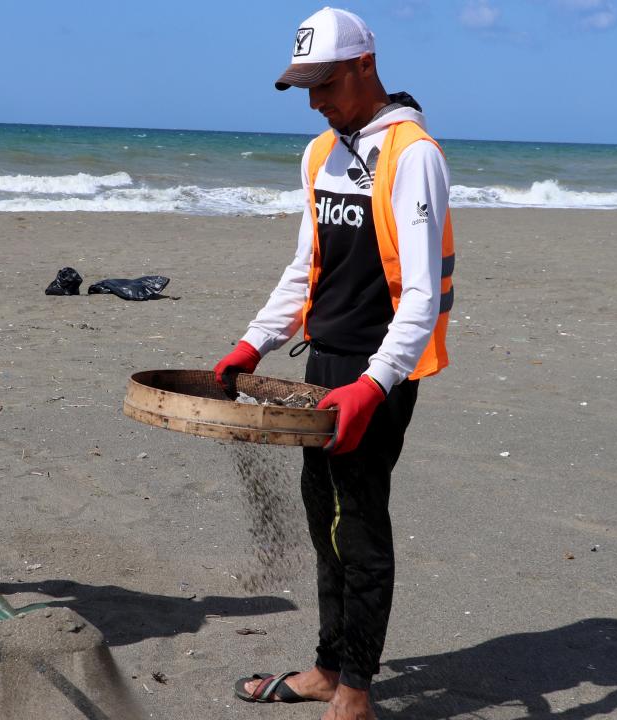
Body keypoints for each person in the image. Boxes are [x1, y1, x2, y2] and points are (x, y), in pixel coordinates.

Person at [214, 8, 454, 720]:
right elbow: (306, 267)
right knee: (323, 515)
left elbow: (420, 298)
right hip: (317, 364)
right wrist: (254, 341)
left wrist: (371, 387)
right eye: (304, 88)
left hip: (381, 367)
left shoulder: (414, 156)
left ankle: (355, 693)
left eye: (323, 84)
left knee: (362, 523)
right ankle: (326, 667)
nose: (314, 101)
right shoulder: (322, 154)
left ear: (362, 67)